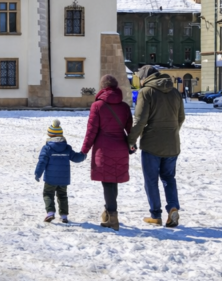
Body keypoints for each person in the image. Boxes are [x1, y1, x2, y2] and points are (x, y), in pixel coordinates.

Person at [128, 64, 186, 228]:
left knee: (151, 180)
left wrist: (131, 141)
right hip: (172, 144)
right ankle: (173, 208)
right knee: (169, 178)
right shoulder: (175, 92)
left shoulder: (146, 92)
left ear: (145, 77)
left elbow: (140, 121)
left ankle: (155, 215)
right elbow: (181, 117)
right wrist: (172, 132)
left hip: (152, 144)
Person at [80, 74, 133, 232]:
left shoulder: (97, 106)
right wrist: (132, 145)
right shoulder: (124, 106)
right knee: (113, 181)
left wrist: (84, 151)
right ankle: (108, 212)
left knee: (108, 182)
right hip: (121, 148)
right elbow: (130, 129)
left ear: (102, 87)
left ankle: (112, 216)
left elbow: (91, 131)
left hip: (104, 149)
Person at [34, 120, 85, 223]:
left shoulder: (47, 148)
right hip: (63, 179)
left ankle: (50, 213)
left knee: (48, 194)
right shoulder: (67, 148)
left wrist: (37, 173)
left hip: (50, 179)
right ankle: (64, 216)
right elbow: (76, 158)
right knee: (62, 196)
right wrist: (83, 154)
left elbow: (42, 161)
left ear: (49, 135)